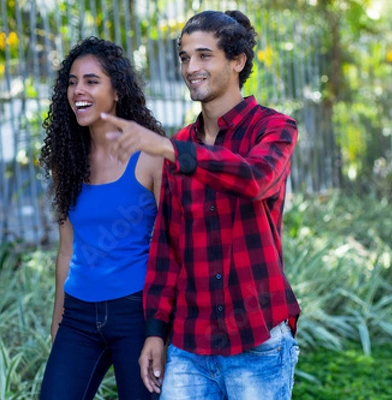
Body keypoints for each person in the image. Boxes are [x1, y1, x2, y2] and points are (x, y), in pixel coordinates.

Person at [102, 10, 301, 400]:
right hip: (189, 347)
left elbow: (255, 178)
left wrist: (174, 151)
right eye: (184, 56)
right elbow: (167, 250)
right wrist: (155, 333)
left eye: (204, 55)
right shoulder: (178, 147)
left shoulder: (274, 128)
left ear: (237, 61)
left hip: (258, 340)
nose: (191, 67)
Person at [38, 36, 165, 400]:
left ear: (117, 91)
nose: (79, 89)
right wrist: (57, 320)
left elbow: (170, 246)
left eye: (92, 81)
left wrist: (160, 329)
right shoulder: (68, 163)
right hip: (78, 315)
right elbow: (66, 250)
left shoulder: (150, 156)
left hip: (136, 313)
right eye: (73, 82)